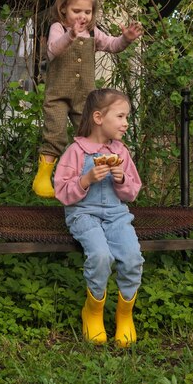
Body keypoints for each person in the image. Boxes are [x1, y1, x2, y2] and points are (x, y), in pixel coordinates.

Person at [32, 0, 143, 199]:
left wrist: (126, 39)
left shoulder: (93, 32)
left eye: (87, 11)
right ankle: (43, 177)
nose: (82, 16)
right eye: (76, 11)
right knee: (55, 132)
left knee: (93, 134)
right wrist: (70, 35)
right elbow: (53, 50)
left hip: (86, 97)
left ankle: (93, 173)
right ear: (63, 9)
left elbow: (112, 45)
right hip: (58, 95)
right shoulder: (59, 28)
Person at [54, 88, 144, 348]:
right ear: (98, 117)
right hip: (84, 214)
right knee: (101, 256)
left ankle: (124, 315)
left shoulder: (121, 152)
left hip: (116, 215)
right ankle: (93, 312)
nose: (126, 123)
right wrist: (86, 179)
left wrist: (122, 179)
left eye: (127, 117)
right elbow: (61, 190)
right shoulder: (76, 151)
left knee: (131, 258)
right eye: (120, 116)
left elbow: (132, 191)